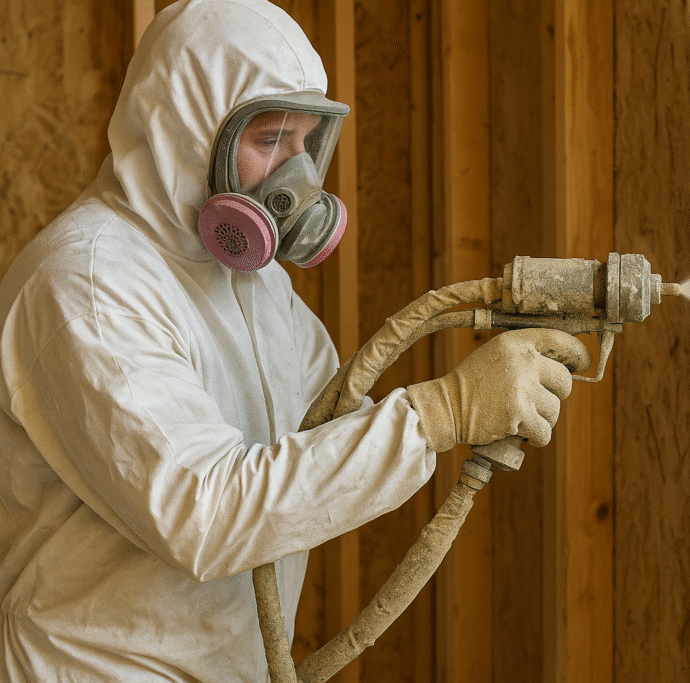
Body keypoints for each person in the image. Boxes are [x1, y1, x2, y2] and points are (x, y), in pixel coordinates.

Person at [0, 1, 586, 680]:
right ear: (188, 132)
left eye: (307, 143)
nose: (296, 176)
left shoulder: (249, 286)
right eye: (272, 139)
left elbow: (323, 436)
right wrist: (440, 414)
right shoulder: (89, 282)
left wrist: (480, 403)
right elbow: (205, 510)